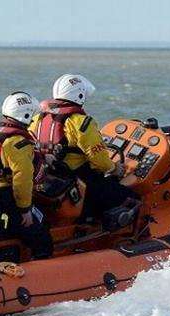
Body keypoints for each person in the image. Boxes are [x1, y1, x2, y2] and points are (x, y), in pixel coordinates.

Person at [30, 74, 139, 220]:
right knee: (132, 198)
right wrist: (115, 169)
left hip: (50, 178)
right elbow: (99, 160)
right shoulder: (82, 123)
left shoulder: (38, 119)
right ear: (79, 95)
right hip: (80, 180)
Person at [0, 92, 53, 259]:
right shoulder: (18, 142)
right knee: (42, 235)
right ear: (25, 114)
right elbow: (22, 180)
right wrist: (24, 209)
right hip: (7, 197)